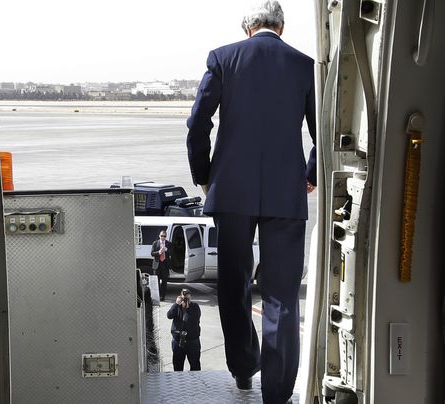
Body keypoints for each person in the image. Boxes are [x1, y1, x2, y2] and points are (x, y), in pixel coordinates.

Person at [186, 1, 316, 403]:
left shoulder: (224, 58)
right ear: (283, 26)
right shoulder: (305, 65)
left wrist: (205, 175)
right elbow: (323, 131)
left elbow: (197, 125)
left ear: (248, 28)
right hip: (285, 195)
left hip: (233, 194)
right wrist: (309, 176)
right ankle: (276, 394)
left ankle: (244, 370)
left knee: (233, 286)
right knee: (281, 297)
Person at [166, 288, 201, 371]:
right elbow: (169, 316)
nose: (185, 300)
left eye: (187, 298)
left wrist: (188, 309)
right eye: (184, 298)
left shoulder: (195, 307)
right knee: (177, 366)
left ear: (191, 297)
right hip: (178, 341)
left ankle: (195, 383)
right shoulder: (177, 307)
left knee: (195, 365)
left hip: (192, 341)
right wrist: (176, 304)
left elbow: (193, 320)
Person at [151, 230, 171, 301]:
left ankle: (163, 296)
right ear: (159, 236)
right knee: (157, 281)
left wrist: (165, 249)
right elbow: (152, 253)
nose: (163, 237)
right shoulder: (155, 243)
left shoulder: (168, 243)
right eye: (162, 236)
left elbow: (171, 253)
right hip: (157, 264)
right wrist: (159, 252)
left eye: (164, 236)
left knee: (164, 282)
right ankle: (157, 296)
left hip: (165, 264)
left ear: (166, 236)